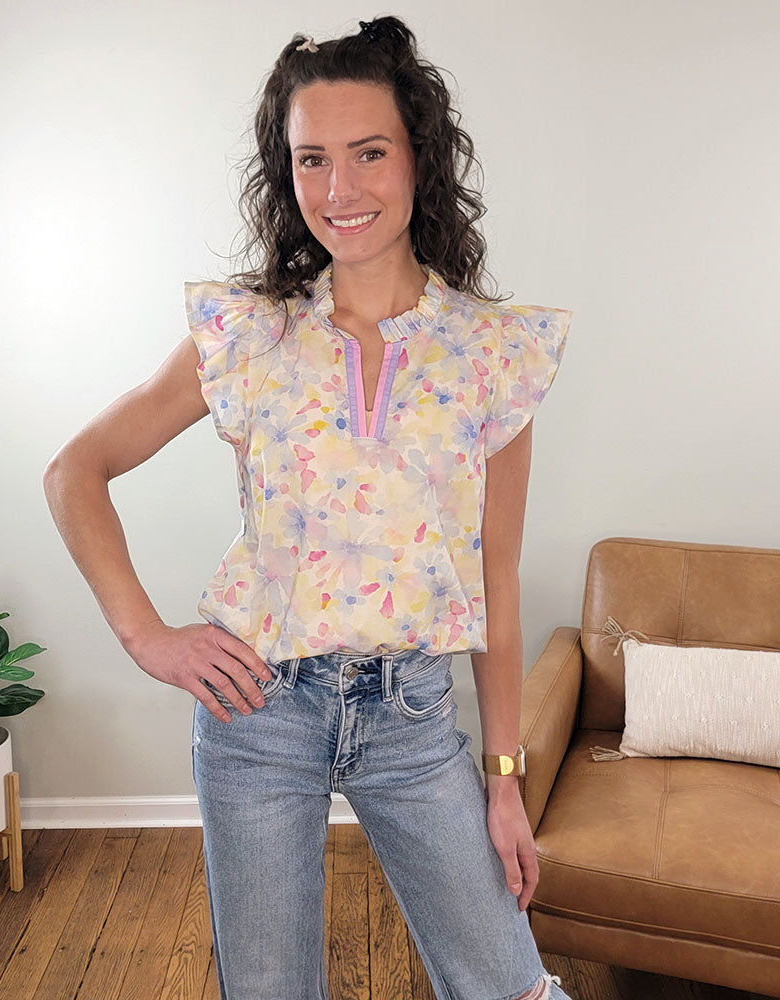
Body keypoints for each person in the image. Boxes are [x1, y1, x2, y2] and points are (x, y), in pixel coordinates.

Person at [44, 15, 574, 1000]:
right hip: (257, 712)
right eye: (312, 160)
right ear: (284, 175)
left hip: (412, 714)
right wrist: (146, 636)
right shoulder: (246, 334)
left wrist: (501, 777)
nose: (341, 191)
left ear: (420, 155)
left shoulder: (493, 354)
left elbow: (493, 577)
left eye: (368, 153)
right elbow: (75, 471)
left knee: (509, 986)